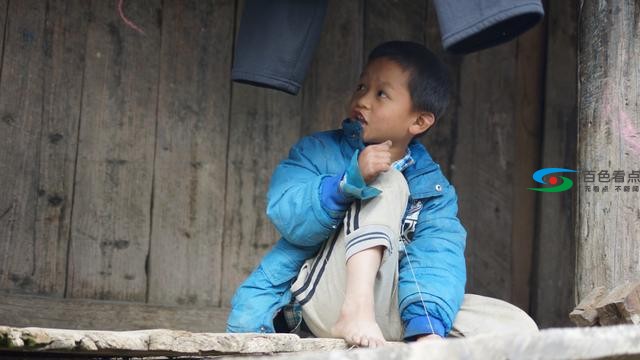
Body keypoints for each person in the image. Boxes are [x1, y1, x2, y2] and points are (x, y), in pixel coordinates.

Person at [226, 40, 538, 348]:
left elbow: (437, 255)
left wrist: (426, 329)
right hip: (319, 301)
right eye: (361, 87)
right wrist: (346, 183)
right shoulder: (318, 151)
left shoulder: (435, 189)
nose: (363, 100)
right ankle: (356, 310)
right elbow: (285, 213)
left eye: (381, 94)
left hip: (386, 312)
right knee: (388, 180)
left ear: (419, 121)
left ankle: (396, 325)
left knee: (516, 326)